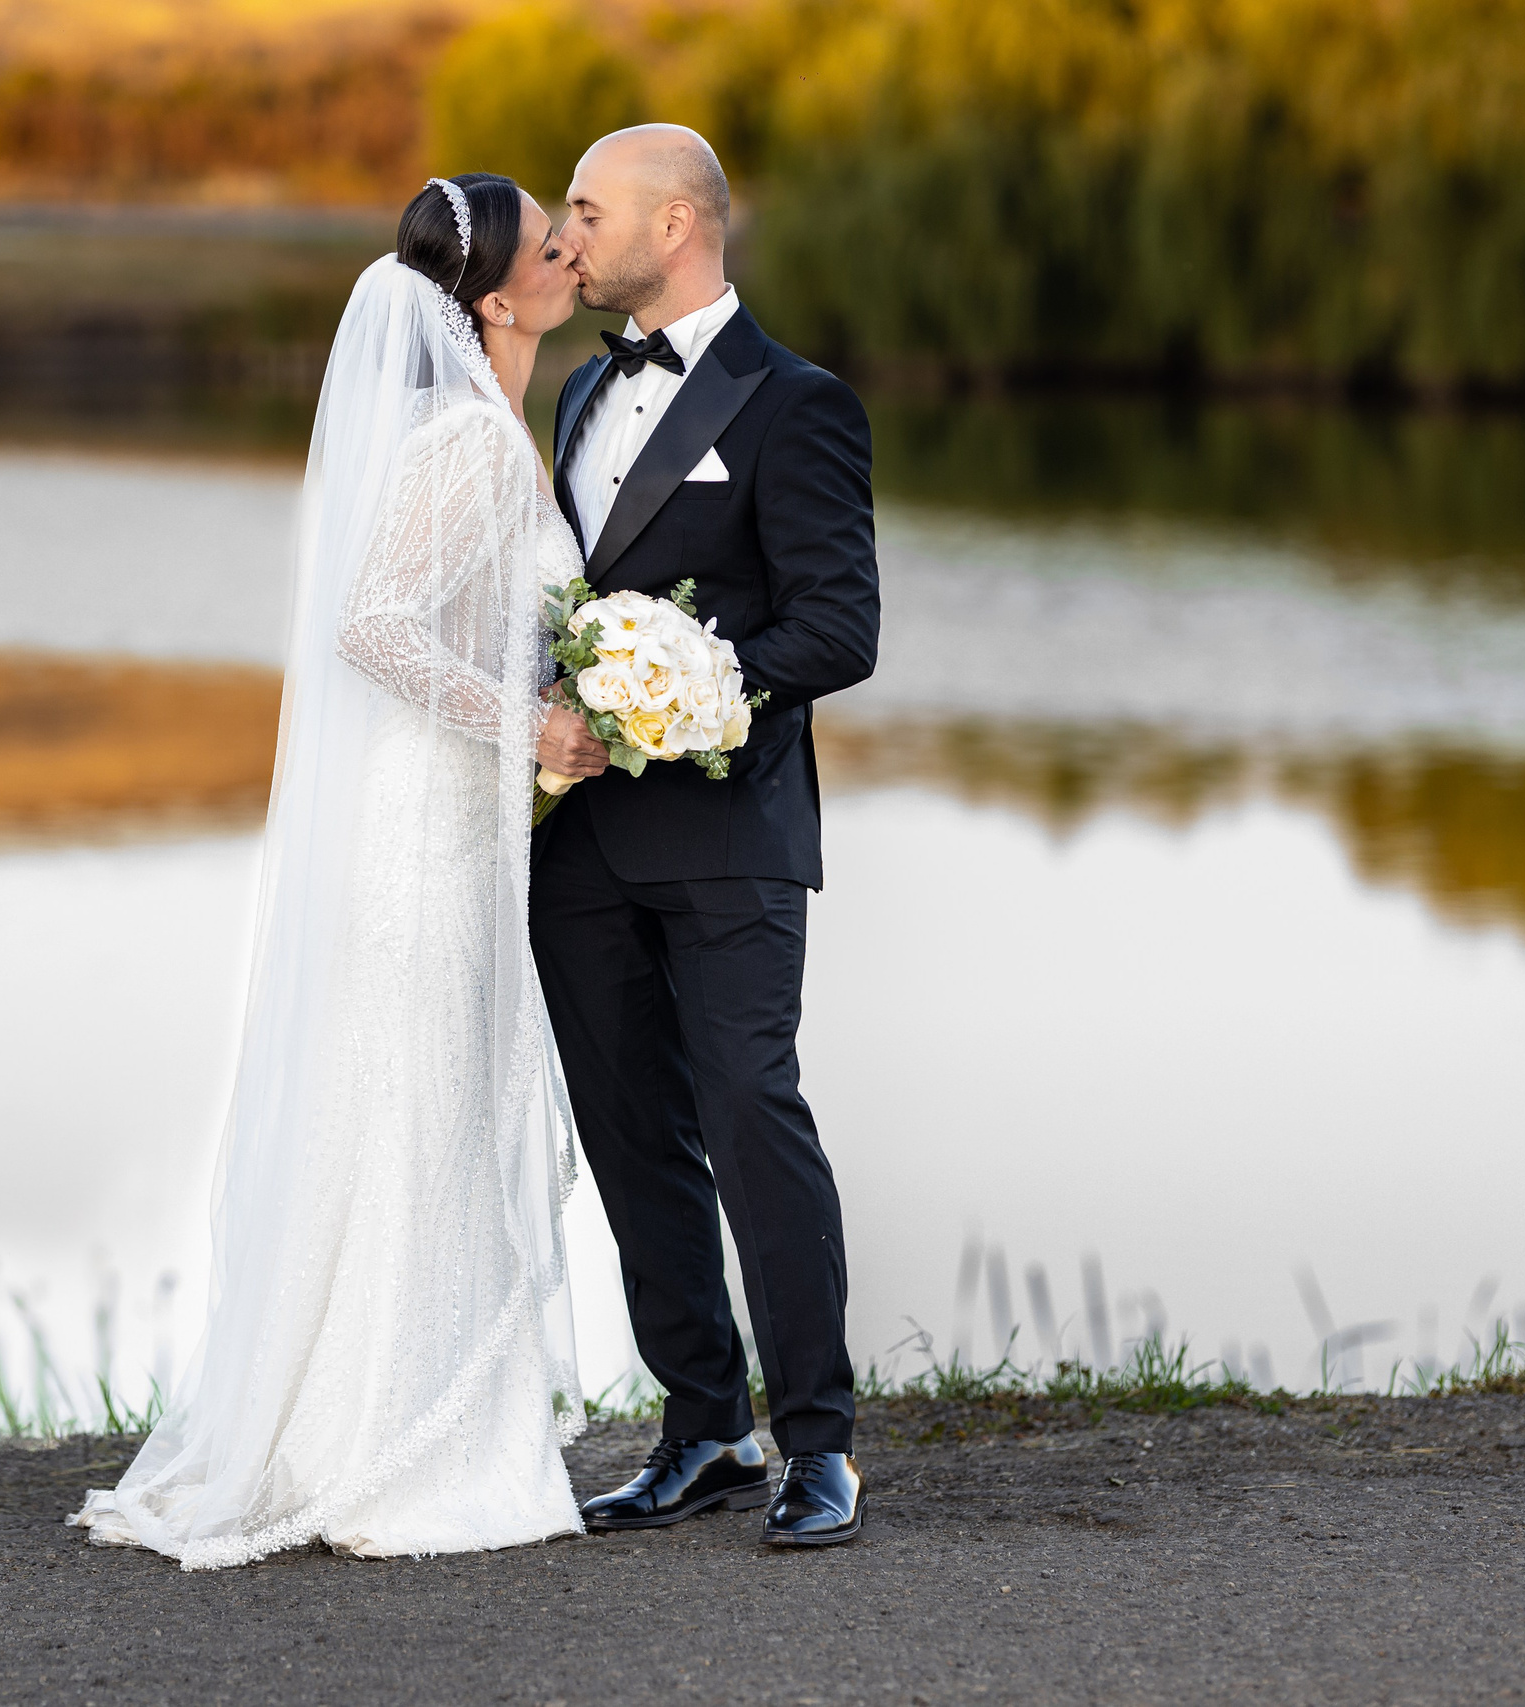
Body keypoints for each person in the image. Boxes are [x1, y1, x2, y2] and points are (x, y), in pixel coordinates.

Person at [69, 173, 596, 1567]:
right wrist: (532, 722)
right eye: (549, 245)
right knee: (416, 1104)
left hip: (446, 811)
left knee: (416, 1102)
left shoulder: (483, 429)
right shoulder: (470, 445)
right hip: (421, 823)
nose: (569, 255)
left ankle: (364, 1424)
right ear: (495, 301)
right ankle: (387, 1452)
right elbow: (376, 625)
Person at [532, 124, 881, 1547]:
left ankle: (819, 1445)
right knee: (632, 1136)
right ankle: (703, 1429)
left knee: (752, 1116)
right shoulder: (577, 390)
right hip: (580, 845)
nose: (565, 236)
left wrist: (676, 689)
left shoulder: (798, 404)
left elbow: (838, 630)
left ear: (674, 224)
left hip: (732, 831)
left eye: (586, 210)